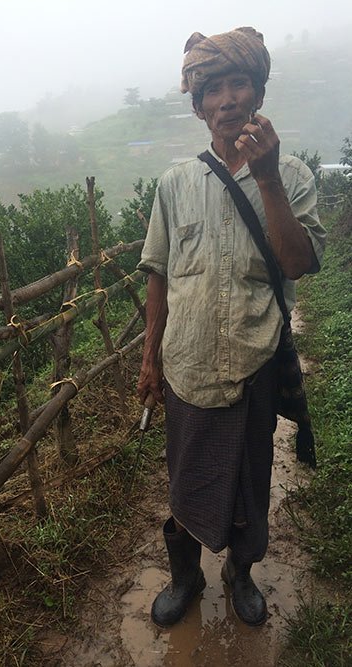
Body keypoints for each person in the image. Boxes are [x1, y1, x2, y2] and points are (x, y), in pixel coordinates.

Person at [137, 27, 326, 628]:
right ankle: (186, 576)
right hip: (186, 364)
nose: (226, 99)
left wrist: (266, 177)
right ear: (197, 106)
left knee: (249, 479)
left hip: (254, 363)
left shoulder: (292, 177)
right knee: (187, 476)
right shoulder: (174, 184)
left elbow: (298, 262)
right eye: (210, 89)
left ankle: (240, 572)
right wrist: (148, 361)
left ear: (258, 92)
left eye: (237, 82)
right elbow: (160, 276)